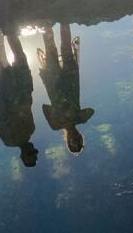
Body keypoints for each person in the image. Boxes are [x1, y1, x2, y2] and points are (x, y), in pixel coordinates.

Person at [37, 24, 94, 152]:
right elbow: (91, 111)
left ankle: (47, 20)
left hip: (55, 82)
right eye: (78, 140)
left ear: (68, 140)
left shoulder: (56, 124)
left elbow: (44, 107)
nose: (75, 138)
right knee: (65, 48)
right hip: (69, 80)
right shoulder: (76, 119)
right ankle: (64, 20)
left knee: (51, 49)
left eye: (72, 141)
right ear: (80, 136)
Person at [0, 30, 39, 167]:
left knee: (3, 62)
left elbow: (2, 114)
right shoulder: (31, 130)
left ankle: (0, 28)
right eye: (34, 151)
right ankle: (9, 27)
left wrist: (8, 97)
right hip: (24, 90)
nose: (32, 148)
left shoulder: (8, 139)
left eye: (30, 153)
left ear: (23, 156)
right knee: (19, 56)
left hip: (11, 94)